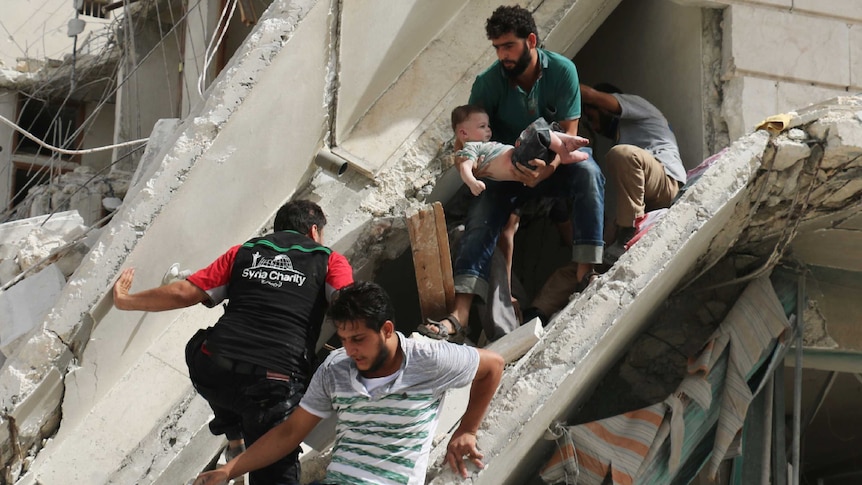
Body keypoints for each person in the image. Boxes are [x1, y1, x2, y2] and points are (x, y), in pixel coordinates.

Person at [112, 199, 354, 485]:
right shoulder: (328, 260)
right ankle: (244, 439)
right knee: (276, 470)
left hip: (214, 368)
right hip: (274, 386)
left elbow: (182, 292)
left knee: (199, 346)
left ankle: (234, 435)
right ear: (314, 232)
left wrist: (125, 301)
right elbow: (348, 304)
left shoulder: (244, 252)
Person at [193, 281, 505, 485]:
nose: (351, 348)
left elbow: (493, 365)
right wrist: (229, 471)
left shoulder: (430, 358)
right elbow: (289, 433)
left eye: (358, 339)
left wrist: (467, 430)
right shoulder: (336, 368)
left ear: (385, 329)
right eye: (343, 339)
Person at [421, 5, 605, 339]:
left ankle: (586, 273)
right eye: (497, 48)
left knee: (589, 172)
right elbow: (468, 145)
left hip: (553, 165)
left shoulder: (563, 71)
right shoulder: (488, 84)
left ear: (530, 41)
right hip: (506, 172)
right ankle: (459, 313)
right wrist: (497, 169)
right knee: (481, 215)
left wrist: (544, 172)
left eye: (508, 46)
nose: (502, 55)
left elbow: (569, 140)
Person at [580, 83, 687, 262]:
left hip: (666, 184)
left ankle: (629, 232)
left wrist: (555, 78)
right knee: (580, 266)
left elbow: (591, 95)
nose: (594, 127)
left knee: (622, 154)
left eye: (592, 117)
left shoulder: (638, 106)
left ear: (605, 107)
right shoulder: (622, 135)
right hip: (644, 203)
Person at [450, 104, 590, 196]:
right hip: (519, 162)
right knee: (535, 132)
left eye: (488, 125)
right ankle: (565, 153)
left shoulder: (481, 146)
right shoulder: (470, 148)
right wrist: (472, 182)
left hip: (522, 157)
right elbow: (465, 167)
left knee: (542, 129)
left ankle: (564, 143)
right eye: (482, 126)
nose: (488, 129)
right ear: (463, 134)